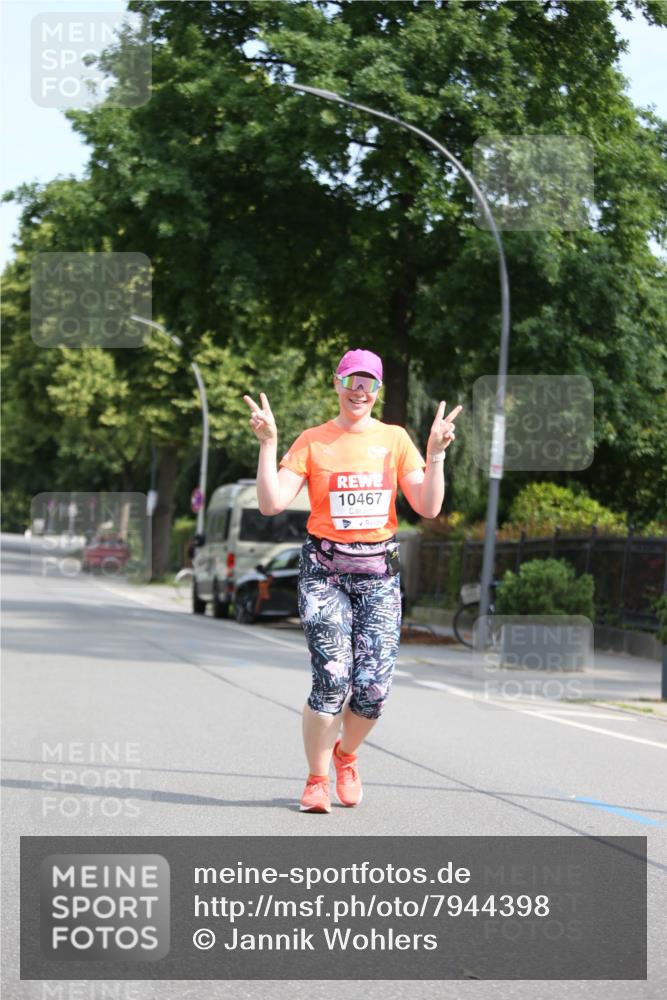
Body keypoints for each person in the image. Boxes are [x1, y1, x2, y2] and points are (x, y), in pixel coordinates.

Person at [243, 349, 462, 813]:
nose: (359, 391)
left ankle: (347, 755)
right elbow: (271, 503)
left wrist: (436, 455)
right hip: (324, 573)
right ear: (337, 383)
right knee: (332, 678)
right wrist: (267, 445)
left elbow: (428, 506)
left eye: (368, 383)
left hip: (379, 576)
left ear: (377, 390)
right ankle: (316, 779)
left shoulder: (394, 438)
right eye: (351, 381)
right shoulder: (312, 441)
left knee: (373, 690)